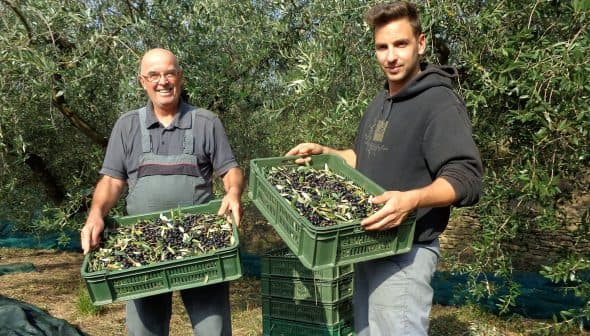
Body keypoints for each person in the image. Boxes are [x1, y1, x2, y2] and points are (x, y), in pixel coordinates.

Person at [286, 2, 483, 335]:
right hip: (369, 244)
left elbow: (466, 179)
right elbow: (366, 158)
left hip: (405, 252)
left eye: (401, 44)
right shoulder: (381, 101)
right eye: (382, 47)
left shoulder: (439, 103)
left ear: (421, 43)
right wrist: (329, 152)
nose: (391, 56)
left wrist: (410, 200)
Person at [80, 48, 244, 336]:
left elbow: (230, 169)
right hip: (142, 250)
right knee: (144, 331)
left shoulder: (206, 122)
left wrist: (232, 193)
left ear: (180, 77)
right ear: (142, 81)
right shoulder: (127, 125)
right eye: (154, 75)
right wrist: (96, 214)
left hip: (200, 247)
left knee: (213, 330)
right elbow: (111, 181)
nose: (163, 81)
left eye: (169, 73)